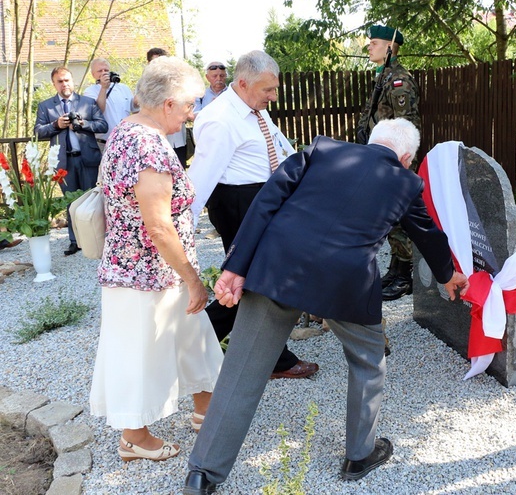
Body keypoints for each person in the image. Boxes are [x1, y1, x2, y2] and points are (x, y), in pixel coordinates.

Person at [182, 118, 469, 494]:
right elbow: (426, 233)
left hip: (276, 269)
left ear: (371, 141)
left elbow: (265, 203)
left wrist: (235, 266)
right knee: (368, 360)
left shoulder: (321, 150)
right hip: (344, 285)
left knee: (241, 372)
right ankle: (359, 454)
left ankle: (203, 473)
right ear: (406, 157)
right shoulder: (406, 181)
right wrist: (448, 276)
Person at [89, 56, 223, 462]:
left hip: (155, 269)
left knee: (194, 339)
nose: (193, 111)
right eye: (190, 104)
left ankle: (206, 409)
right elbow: (159, 226)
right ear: (168, 104)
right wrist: (193, 279)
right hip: (145, 273)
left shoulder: (128, 129)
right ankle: (133, 437)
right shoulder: (147, 145)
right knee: (141, 352)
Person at [188, 50, 318, 380]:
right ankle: (193, 345)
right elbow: (201, 177)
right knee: (248, 281)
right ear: (243, 83)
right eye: (268, 90)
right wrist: (182, 228)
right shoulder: (219, 119)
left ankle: (203, 346)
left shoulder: (254, 108)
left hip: (263, 200)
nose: (273, 97)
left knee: (258, 281)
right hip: (238, 205)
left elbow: (280, 148)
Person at [357, 25, 421, 302]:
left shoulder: (399, 80)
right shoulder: (384, 77)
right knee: (391, 219)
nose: (369, 47)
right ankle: (396, 270)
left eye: (374, 43)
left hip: (396, 162)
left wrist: (402, 167)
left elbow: (407, 126)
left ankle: (406, 276)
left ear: (390, 47)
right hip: (381, 159)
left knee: (401, 218)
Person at [34, 67, 108, 256]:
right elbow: (38, 131)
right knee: (71, 203)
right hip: (63, 162)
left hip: (88, 159)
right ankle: (76, 242)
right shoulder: (46, 106)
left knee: (94, 200)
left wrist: (84, 124)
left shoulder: (88, 102)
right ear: (54, 84)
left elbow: (102, 125)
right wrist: (55, 125)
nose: (64, 84)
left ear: (72, 81)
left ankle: (100, 238)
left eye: (67, 80)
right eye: (60, 81)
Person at [145, 48, 189, 168]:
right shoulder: (144, 85)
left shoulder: (179, 81)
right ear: (149, 64)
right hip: (156, 141)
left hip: (178, 139)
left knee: (179, 173)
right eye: (155, 62)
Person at [83, 58, 136, 148]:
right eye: (100, 71)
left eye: (106, 70)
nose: (104, 73)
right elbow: (98, 112)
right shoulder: (89, 91)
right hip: (104, 143)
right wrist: (103, 88)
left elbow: (135, 108)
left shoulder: (123, 88)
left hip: (126, 140)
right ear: (93, 74)